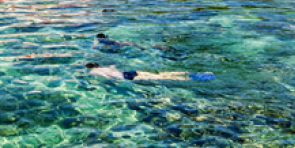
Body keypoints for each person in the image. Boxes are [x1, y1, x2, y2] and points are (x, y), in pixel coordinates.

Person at [86, 62, 214, 82]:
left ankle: (190, 78)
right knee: (159, 75)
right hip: (131, 72)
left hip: (126, 78)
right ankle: (188, 72)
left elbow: (108, 78)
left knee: (161, 79)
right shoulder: (106, 66)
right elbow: (113, 68)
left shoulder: (93, 72)